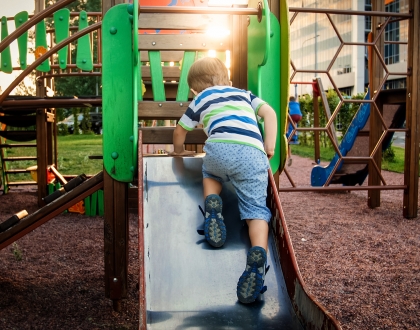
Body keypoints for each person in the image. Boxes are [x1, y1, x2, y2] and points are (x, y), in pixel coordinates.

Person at [170, 57, 277, 304]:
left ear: (195, 89)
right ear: (227, 80)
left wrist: (178, 151)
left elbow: (180, 131)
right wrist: (269, 143)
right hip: (253, 154)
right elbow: (269, 113)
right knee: (256, 211)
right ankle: (258, 255)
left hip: (219, 151)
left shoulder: (200, 98)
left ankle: (212, 207)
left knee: (210, 174)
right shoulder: (245, 94)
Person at [286, 96, 302, 166]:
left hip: (292, 115)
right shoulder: (297, 104)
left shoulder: (289, 104)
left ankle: (289, 157)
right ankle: (295, 133)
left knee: (288, 120)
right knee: (295, 124)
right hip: (299, 116)